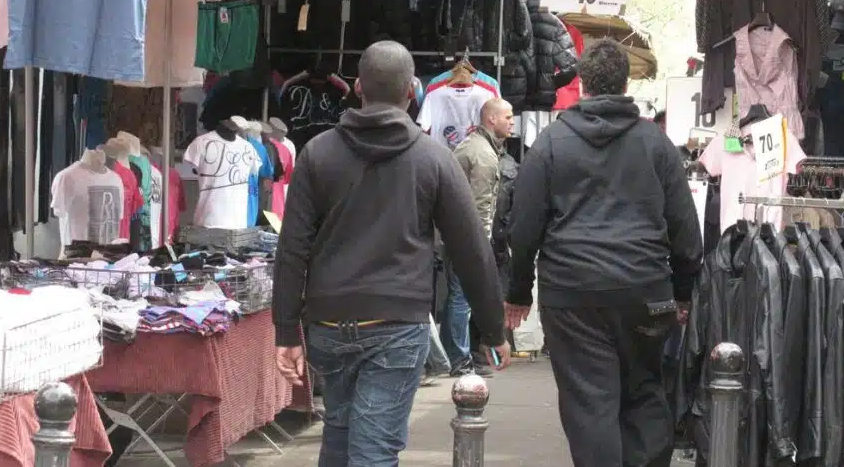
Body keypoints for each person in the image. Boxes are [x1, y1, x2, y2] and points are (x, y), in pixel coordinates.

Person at [272, 40, 511, 467]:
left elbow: (292, 248)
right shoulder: (434, 158)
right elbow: (472, 250)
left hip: (328, 322)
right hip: (397, 323)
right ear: (412, 91)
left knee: (340, 437)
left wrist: (287, 330)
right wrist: (493, 329)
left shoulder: (317, 153)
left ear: (358, 86)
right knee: (373, 450)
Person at [504, 38, 703, 467]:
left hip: (573, 295)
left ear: (583, 83)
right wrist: (683, 291)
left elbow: (523, 227)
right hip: (645, 291)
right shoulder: (656, 144)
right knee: (646, 393)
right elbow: (687, 229)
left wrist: (519, 291)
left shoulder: (551, 144)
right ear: (626, 83)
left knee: (589, 402)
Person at [450, 97, 514, 376]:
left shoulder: (478, 146)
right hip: (466, 239)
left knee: (461, 298)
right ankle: (460, 359)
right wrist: (482, 247)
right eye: (508, 117)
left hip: (458, 235)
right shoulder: (485, 155)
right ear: (491, 120)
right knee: (461, 299)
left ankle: (465, 355)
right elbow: (481, 207)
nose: (512, 122)